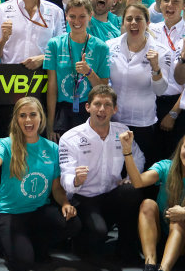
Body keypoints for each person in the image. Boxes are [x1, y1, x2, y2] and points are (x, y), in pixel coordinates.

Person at [0, 97, 80, 271]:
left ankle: (37, 245)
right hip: (11, 213)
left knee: (72, 223)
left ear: (40, 117)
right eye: (22, 115)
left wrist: (65, 203)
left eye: (33, 115)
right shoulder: (6, 143)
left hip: (38, 212)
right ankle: (4, 242)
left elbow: (56, 187)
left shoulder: (52, 148)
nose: (28, 120)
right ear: (16, 120)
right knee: (22, 266)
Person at [59, 85, 145, 261]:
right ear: (87, 107)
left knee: (131, 191)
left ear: (115, 109)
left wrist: (129, 178)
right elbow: (65, 175)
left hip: (111, 195)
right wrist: (75, 180)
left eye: (107, 105)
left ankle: (126, 247)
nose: (101, 109)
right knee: (96, 236)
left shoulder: (122, 131)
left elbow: (139, 157)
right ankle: (79, 241)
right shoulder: (70, 138)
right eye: (97, 104)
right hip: (84, 199)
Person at [121, 129, 185, 271]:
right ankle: (149, 266)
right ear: (180, 148)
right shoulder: (165, 166)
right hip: (158, 240)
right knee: (147, 203)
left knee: (178, 219)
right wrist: (127, 151)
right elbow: (138, 182)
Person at [106, 4, 170, 167]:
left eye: (138, 19)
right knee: (116, 170)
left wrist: (156, 68)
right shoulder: (109, 46)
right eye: (129, 19)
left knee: (140, 172)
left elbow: (160, 90)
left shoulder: (160, 51)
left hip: (143, 124)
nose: (133, 22)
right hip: (114, 121)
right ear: (123, 23)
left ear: (148, 23)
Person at [44, 0, 110, 142]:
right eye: (72, 16)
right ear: (66, 17)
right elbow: (52, 86)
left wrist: (89, 72)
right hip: (63, 112)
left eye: (82, 16)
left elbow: (104, 90)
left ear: (90, 16)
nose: (77, 21)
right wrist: (50, 123)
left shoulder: (101, 47)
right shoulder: (54, 44)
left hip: (90, 111)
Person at [149, 0, 185, 158]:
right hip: (150, 102)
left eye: (176, 1)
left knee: (175, 158)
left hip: (178, 105)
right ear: (160, 4)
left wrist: (173, 113)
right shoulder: (149, 32)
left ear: (184, 5)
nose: (170, 5)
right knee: (152, 157)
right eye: (166, 0)